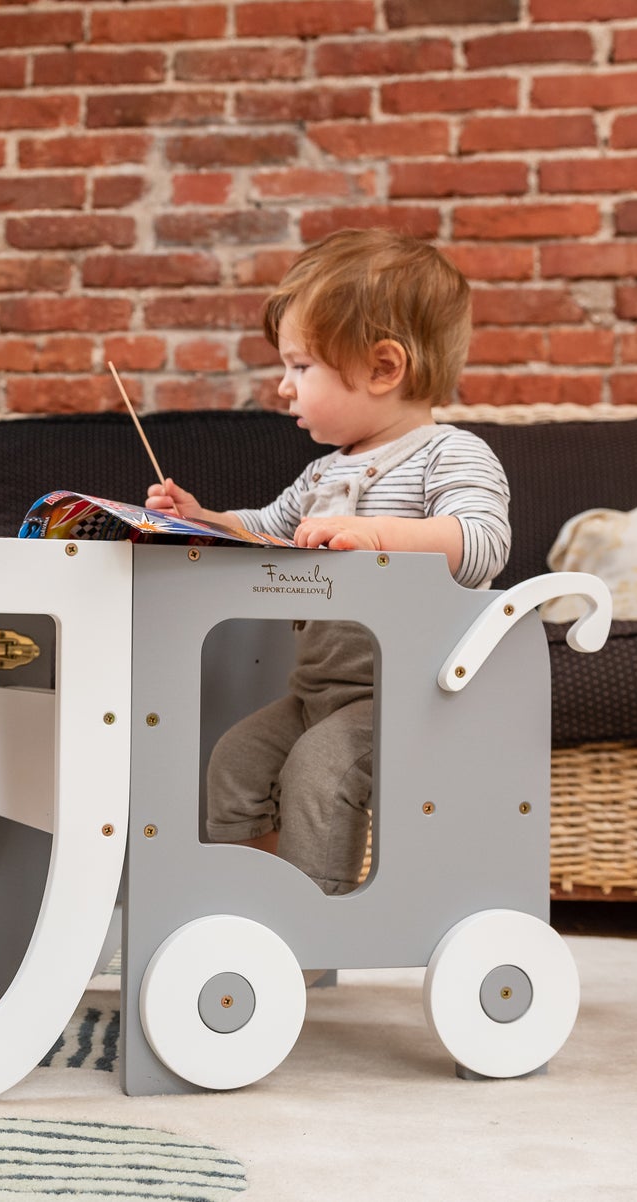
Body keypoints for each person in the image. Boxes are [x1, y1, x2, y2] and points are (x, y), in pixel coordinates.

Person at [146, 228, 512, 896]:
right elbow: (267, 531)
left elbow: (483, 540)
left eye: (300, 366)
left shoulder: (450, 454)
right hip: (317, 692)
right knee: (235, 759)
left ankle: (315, 921)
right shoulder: (321, 473)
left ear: (383, 368)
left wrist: (374, 535)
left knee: (320, 770)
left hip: (411, 697)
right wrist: (203, 518)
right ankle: (252, 905)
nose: (283, 387)